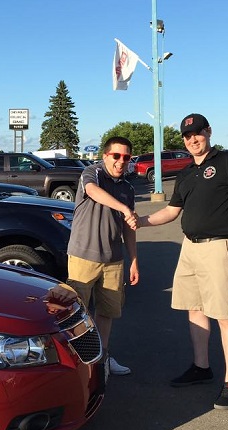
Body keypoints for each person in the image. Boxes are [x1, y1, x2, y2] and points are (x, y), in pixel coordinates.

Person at [133, 113, 228, 409]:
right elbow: (170, 212)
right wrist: (139, 221)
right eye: (187, 135)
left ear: (208, 132)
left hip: (219, 246)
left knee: (224, 314)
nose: (192, 139)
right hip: (190, 248)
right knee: (194, 308)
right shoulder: (184, 174)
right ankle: (201, 367)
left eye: (197, 133)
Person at [67, 136, 139, 375]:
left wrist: (134, 260)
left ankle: (102, 359)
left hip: (113, 260)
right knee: (77, 313)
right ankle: (79, 362)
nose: (121, 162)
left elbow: (129, 227)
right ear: (105, 156)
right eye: (116, 156)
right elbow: (92, 191)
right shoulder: (92, 173)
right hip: (83, 256)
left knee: (107, 313)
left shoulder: (127, 188)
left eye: (126, 157)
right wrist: (122, 207)